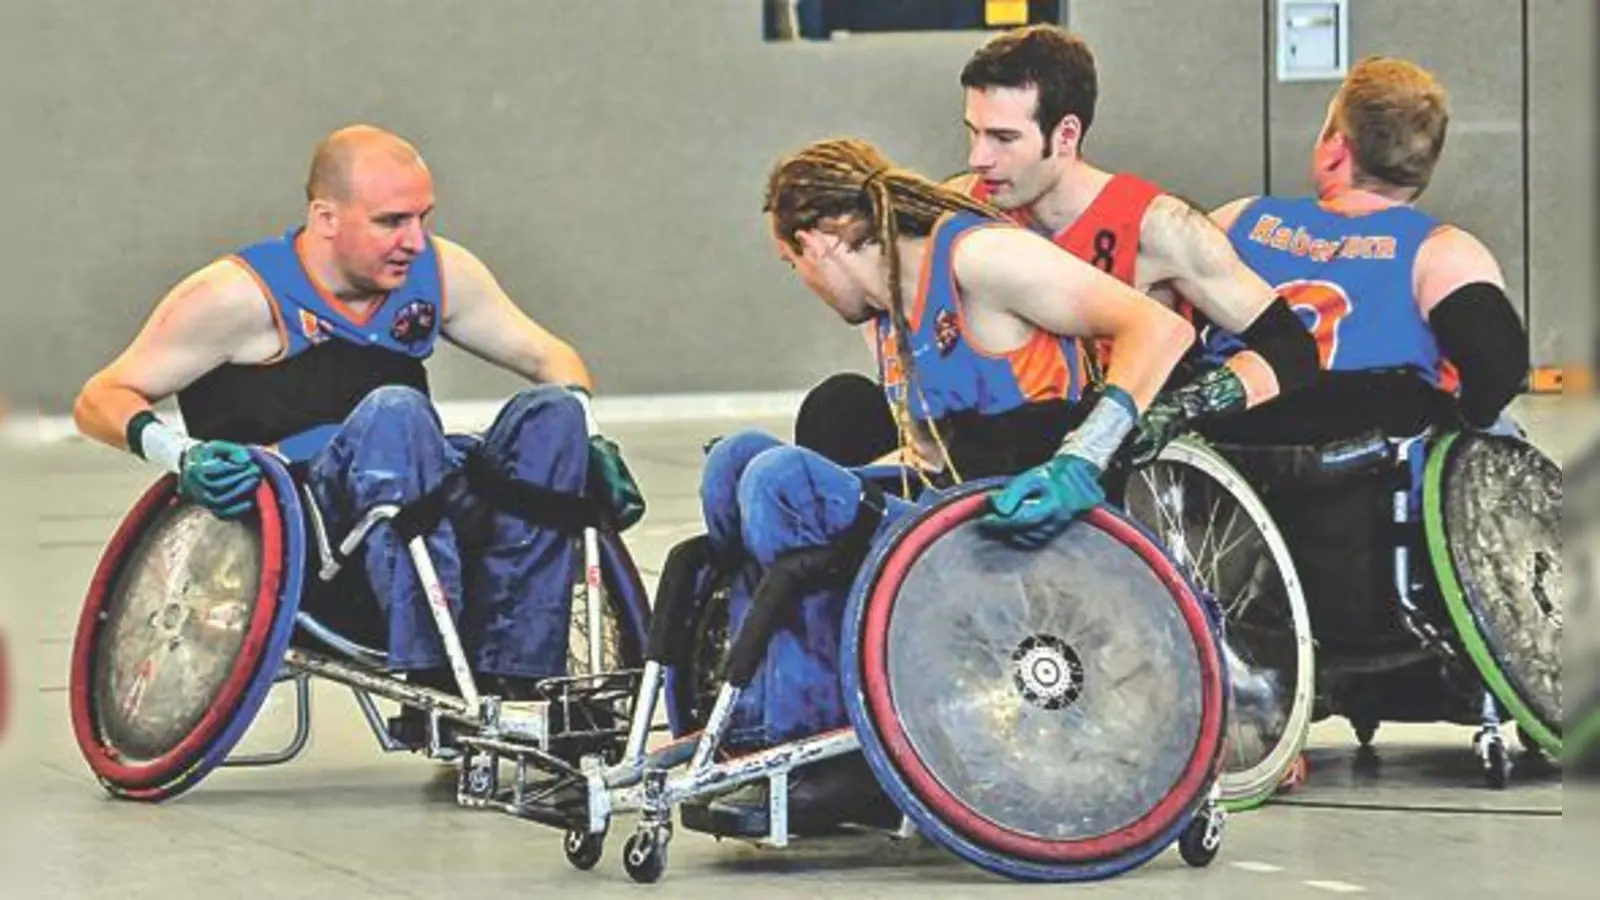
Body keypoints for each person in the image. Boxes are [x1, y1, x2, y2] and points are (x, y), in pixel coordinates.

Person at [685, 137, 1194, 835]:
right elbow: (929, 456)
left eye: (791, 262)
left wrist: (1083, 458)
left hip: (1034, 531)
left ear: (820, 241)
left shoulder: (977, 258)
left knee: (779, 479)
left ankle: (834, 757)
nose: (800, 279)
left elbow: (1159, 329)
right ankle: (757, 729)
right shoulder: (888, 310)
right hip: (953, 522)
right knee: (739, 463)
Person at [72, 125, 645, 713]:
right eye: (392, 221)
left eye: (423, 217)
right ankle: (436, 671)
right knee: (395, 410)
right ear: (325, 217)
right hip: (311, 522)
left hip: (419, 484)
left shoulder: (440, 274)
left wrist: (590, 436)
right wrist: (181, 454)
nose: (415, 241)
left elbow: (551, 357)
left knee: (553, 415)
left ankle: (525, 674)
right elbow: (101, 396)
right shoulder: (237, 297)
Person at [950, 24, 1321, 462]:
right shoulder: (959, 208)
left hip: (1105, 457)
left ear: (1066, 135)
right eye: (973, 132)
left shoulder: (1159, 226)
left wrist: (1179, 409)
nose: (979, 158)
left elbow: (1291, 349)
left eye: (1003, 138)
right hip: (991, 443)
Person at [1203, 55, 1528, 441]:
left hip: (1228, 459)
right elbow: (1500, 370)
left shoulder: (1237, 220)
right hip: (1369, 477)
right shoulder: (1442, 254)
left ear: (1336, 149)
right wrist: (1464, 417)